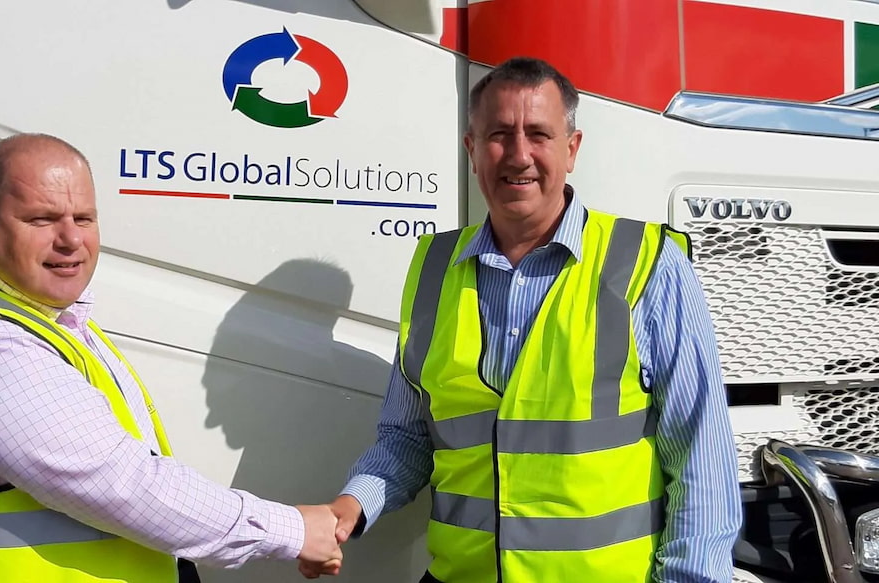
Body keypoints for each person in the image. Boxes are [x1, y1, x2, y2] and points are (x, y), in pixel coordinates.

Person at [299, 57, 742, 582]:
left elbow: (701, 458)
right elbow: (409, 436)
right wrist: (351, 506)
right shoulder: (434, 270)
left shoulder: (646, 264)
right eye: (499, 134)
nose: (519, 154)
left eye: (538, 133)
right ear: (471, 150)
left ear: (571, 150)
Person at [0, 133, 343, 582]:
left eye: (84, 218)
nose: (70, 239)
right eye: (42, 219)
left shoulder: (52, 320)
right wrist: (293, 530)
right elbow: (127, 486)